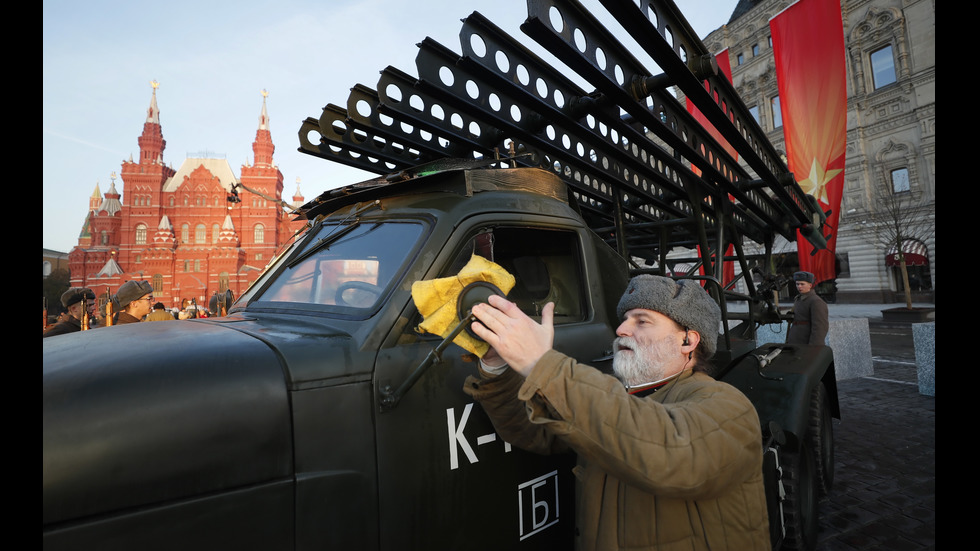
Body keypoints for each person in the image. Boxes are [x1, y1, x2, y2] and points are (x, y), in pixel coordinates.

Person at [465, 275, 770, 550]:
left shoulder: (728, 407)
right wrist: (498, 365)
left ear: (687, 341)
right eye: (624, 319)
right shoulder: (616, 398)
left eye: (642, 321)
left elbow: (670, 453)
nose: (622, 329)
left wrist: (541, 363)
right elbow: (531, 431)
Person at [785, 271, 829, 345]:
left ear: (810, 285)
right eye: (797, 284)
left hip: (806, 343)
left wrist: (814, 348)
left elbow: (820, 328)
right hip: (795, 341)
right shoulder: (798, 299)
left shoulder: (816, 301)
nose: (799, 286)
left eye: (802, 284)